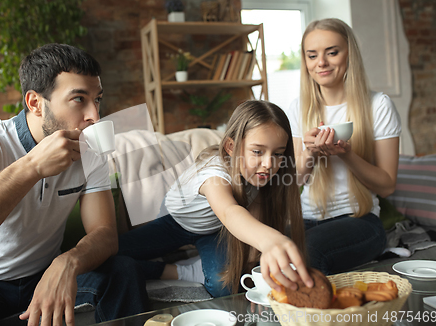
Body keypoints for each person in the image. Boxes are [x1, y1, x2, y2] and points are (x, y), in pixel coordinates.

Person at [0, 44, 149, 326]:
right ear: (35, 103)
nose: (95, 117)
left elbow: (105, 234)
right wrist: (32, 167)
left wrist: (67, 263)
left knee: (123, 270)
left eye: (97, 100)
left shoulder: (90, 148)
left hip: (44, 274)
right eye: (79, 99)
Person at [118, 100, 313, 297]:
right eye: (257, 151)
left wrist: (311, 152)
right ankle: (165, 267)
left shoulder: (258, 174)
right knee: (113, 255)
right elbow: (229, 212)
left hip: (216, 230)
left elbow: (257, 212)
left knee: (224, 286)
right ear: (230, 147)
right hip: (174, 223)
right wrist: (270, 240)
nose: (268, 163)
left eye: (278, 154)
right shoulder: (214, 174)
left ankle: (184, 270)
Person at [287, 18, 401, 275]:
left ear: (350, 54)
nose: (321, 63)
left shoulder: (378, 105)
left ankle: (312, 316)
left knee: (308, 251)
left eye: (332, 52)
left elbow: (387, 184)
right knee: (262, 249)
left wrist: (347, 155)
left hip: (360, 220)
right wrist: (310, 154)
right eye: (312, 55)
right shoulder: (297, 108)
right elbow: (294, 181)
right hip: (306, 219)